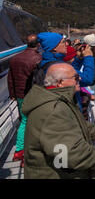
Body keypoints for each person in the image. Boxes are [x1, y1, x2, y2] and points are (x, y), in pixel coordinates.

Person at [22, 63, 95, 179]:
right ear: (60, 82)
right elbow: (69, 152)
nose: (80, 79)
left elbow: (71, 122)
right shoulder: (53, 110)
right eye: (76, 78)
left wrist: (94, 132)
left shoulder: (55, 99)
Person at [7, 34, 42, 165]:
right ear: (38, 44)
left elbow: (10, 78)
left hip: (20, 95)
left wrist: (12, 93)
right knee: (34, 124)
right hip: (34, 95)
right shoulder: (38, 58)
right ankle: (27, 154)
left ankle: (19, 151)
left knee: (23, 121)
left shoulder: (15, 59)